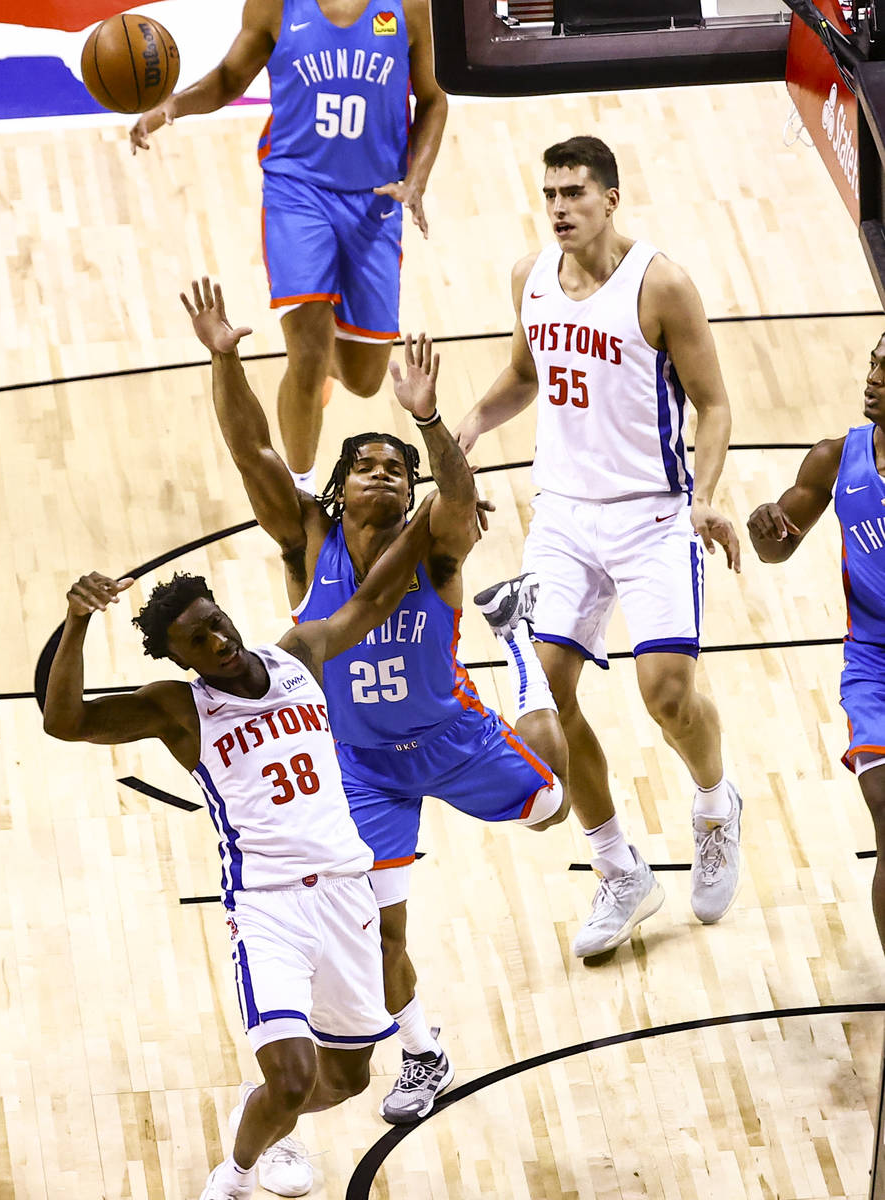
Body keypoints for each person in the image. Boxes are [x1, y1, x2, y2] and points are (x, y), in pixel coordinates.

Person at [179, 277, 569, 1124]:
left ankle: (520, 644)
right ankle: (425, 1051)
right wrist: (225, 359)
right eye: (369, 465)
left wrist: (429, 420)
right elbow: (254, 453)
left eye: (399, 467)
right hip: (357, 767)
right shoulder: (307, 543)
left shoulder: (434, 548)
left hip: (451, 732)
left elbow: (458, 499)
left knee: (553, 803)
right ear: (342, 491)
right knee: (383, 935)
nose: (386, 473)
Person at [42, 490, 437, 1200]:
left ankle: (259, 1121)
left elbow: (376, 598)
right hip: (269, 908)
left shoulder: (301, 656)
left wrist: (438, 506)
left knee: (341, 1081)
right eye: (196, 641)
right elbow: (64, 721)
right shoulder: (181, 708)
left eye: (215, 624)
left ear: (226, 613)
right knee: (289, 1078)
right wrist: (75, 625)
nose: (217, 641)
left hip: (347, 896)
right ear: (178, 657)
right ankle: (236, 1175)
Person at [454, 135, 744, 959]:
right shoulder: (529, 278)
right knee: (544, 693)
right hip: (566, 517)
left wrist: (707, 496)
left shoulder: (663, 285)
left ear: (611, 199)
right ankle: (621, 871)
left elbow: (713, 404)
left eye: (574, 193)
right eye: (548, 193)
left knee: (667, 695)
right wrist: (468, 430)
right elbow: (526, 373)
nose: (558, 208)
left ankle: (717, 803)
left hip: (653, 514)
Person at [130, 0, 448, 494]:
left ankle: (324, 370)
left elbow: (433, 98)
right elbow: (231, 78)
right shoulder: (275, 6)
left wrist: (417, 182)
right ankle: (300, 491)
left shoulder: (408, 7)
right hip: (297, 190)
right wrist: (173, 105)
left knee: (364, 380)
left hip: (375, 202)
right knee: (307, 350)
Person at [747, 334, 885, 955]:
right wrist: (765, 529)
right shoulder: (835, 457)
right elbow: (780, 544)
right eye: (875, 359)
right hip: (874, 663)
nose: (874, 375)